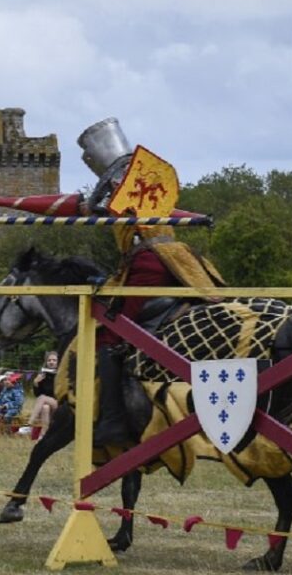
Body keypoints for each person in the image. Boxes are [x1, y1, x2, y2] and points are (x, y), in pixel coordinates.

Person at [78, 117, 226, 446]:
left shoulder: (127, 194)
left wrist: (85, 206)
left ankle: (114, 420)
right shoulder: (149, 189)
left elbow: (99, 209)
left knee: (111, 335)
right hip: (177, 258)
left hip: (148, 263)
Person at [28, 351, 59, 431]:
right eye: (49, 360)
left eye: (54, 360)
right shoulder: (43, 375)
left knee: (42, 397)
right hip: (48, 403)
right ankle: (43, 435)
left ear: (58, 362)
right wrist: (35, 383)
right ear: (46, 362)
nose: (51, 362)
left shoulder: (61, 374)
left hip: (59, 403)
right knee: (45, 408)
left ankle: (29, 423)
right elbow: (37, 395)